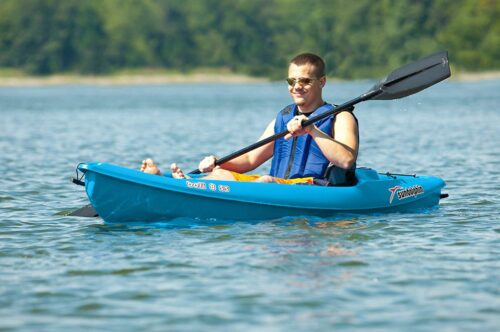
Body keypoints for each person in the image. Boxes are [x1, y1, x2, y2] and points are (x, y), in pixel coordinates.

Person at [141, 53, 359, 186]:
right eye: (291, 81)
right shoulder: (284, 118)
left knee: (265, 181)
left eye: (304, 81)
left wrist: (312, 130)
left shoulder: (340, 116)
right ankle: (181, 184)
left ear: (322, 82)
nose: (296, 86)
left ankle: (185, 187)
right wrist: (218, 162)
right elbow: (249, 161)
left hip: (314, 187)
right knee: (221, 174)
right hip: (279, 185)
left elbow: (346, 160)